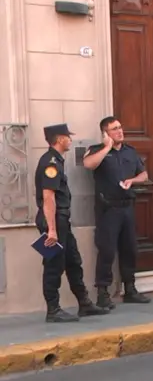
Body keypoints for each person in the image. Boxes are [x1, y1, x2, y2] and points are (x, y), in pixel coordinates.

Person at [34, 124, 107, 323]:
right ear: (59, 139)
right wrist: (51, 230)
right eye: (67, 136)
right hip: (53, 220)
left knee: (73, 261)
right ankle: (53, 309)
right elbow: (48, 197)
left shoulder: (56, 160)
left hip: (61, 220)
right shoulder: (50, 163)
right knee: (53, 264)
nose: (70, 139)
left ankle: (84, 303)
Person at [82, 116, 151, 308]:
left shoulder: (130, 151)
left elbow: (144, 174)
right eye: (114, 129)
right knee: (107, 250)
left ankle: (130, 289)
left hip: (127, 206)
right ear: (106, 133)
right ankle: (103, 293)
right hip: (108, 208)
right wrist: (106, 147)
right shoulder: (97, 150)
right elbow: (88, 165)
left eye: (120, 127)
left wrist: (133, 181)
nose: (120, 131)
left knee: (130, 249)